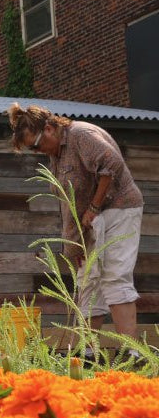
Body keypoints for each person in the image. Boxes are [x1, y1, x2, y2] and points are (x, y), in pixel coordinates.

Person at [7, 103, 142, 341]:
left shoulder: (81, 135)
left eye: (36, 145)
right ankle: (89, 351)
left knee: (114, 275)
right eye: (32, 149)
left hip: (119, 209)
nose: (37, 151)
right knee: (88, 280)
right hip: (92, 222)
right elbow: (69, 203)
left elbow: (112, 163)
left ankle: (131, 352)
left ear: (48, 128)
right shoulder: (56, 154)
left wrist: (94, 206)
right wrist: (75, 244)